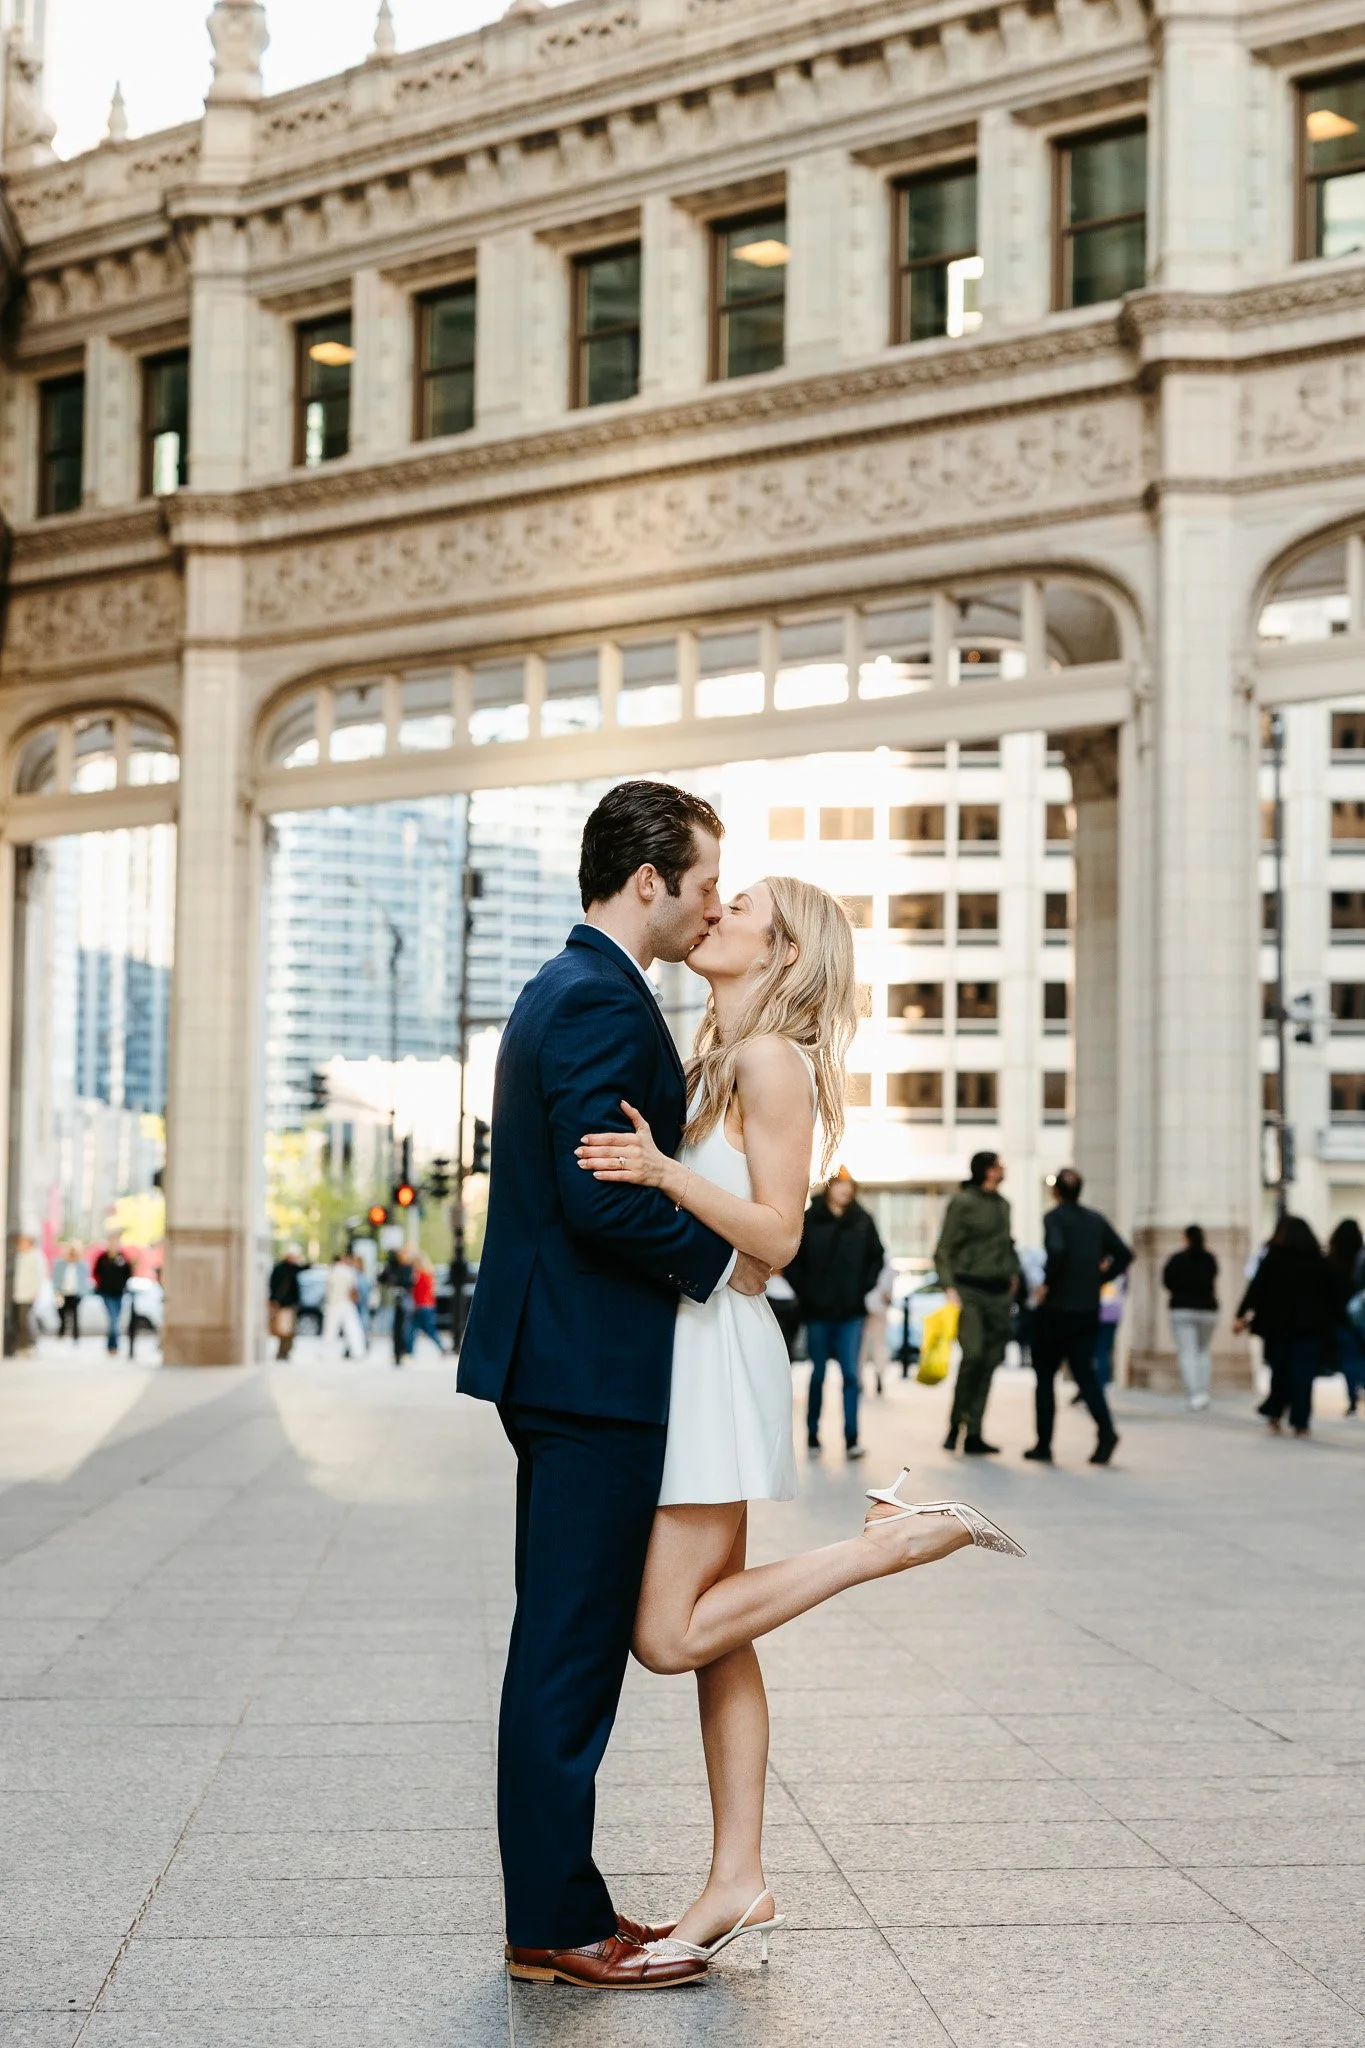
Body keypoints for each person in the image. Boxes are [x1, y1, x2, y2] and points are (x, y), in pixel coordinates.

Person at [575, 871, 1023, 1969]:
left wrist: (666, 1173)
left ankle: (886, 1546)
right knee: (722, 1633)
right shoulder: (717, 1056)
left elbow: (776, 1238)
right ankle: (740, 1877)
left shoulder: (771, 1061)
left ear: (781, 955)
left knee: (669, 1631)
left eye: (741, 912)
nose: (714, 911)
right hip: (692, 1347)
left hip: (714, 1356)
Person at [457, 781, 760, 1991]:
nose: (708, 905)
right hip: (586, 1369)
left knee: (568, 1640)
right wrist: (720, 1258)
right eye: (701, 883)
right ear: (649, 881)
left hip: (573, 1363)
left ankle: (566, 1904)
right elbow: (598, 1192)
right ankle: (553, 1928)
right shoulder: (593, 999)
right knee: (569, 1649)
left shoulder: (575, 987)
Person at [1026, 1168, 1132, 1466]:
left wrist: (1049, 1284)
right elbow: (1124, 1254)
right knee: (1085, 1375)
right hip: (1086, 1309)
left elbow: (1057, 1251)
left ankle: (1044, 1444)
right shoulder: (1095, 1219)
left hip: (1057, 1310)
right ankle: (1106, 1431)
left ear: (1056, 1192)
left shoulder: (1054, 1218)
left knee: (1045, 1377)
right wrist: (1098, 1279)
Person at [785, 1168, 885, 1459]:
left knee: (852, 1375)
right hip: (817, 1312)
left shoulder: (863, 1221)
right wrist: (806, 1293)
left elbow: (877, 1257)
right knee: (817, 1376)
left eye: (849, 1186)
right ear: (829, 1188)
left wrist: (864, 1288)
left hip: (851, 1312)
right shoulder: (810, 1219)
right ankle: (813, 1435)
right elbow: (793, 1259)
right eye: (840, 1185)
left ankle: (852, 1438)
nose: (845, 1191)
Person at [934, 1152, 1021, 1455]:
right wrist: (949, 1287)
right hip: (969, 1291)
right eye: (999, 1165)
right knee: (973, 1356)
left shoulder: (1003, 1205)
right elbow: (944, 1248)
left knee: (990, 1361)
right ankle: (955, 1423)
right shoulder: (963, 1202)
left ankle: (974, 1432)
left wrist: (1013, 1274)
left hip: (999, 1294)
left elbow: (1007, 1244)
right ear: (986, 1170)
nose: (1003, 1170)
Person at [1235, 1213, 1334, 1437]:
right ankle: (1301, 1421)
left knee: (1280, 1371)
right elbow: (1331, 1296)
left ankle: (1275, 1414)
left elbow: (1256, 1290)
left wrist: (1241, 1314)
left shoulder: (1274, 1258)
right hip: (1310, 1328)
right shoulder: (1318, 1261)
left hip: (1278, 1327)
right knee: (1304, 1374)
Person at [1163, 1225, 1219, 1411]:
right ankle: (1202, 1391)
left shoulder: (1177, 1259)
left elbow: (1167, 1281)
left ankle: (1194, 1393)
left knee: (1188, 1352)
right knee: (1203, 1351)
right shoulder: (1209, 1259)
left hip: (1182, 1309)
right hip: (1207, 1310)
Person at [1326, 1217, 1365, 1417]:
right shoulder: (1362, 1258)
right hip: (1362, 1316)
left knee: (1349, 1359)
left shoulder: (1332, 1261)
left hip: (1341, 1317)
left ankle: (1352, 1398)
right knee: (1360, 1355)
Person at [861, 1255, 897, 1397]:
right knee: (879, 1345)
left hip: (863, 1306)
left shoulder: (862, 1256)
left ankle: (860, 1378)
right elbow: (889, 1290)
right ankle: (879, 1374)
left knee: (861, 1347)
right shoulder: (885, 1261)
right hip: (879, 1308)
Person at [92, 1237, 133, 1356]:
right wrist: (100, 1284)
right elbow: (95, 1272)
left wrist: (123, 1284)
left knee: (115, 1320)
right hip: (106, 1293)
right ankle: (113, 1346)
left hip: (119, 1293)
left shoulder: (122, 1257)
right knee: (113, 1320)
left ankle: (111, 1345)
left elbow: (129, 1272)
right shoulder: (103, 1258)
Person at [323, 1251, 365, 1358]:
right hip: (347, 1303)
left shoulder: (332, 1272)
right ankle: (358, 1352)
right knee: (353, 1329)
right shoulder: (349, 1272)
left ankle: (326, 1353)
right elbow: (354, 1288)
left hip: (334, 1303)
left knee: (331, 1330)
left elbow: (328, 1289)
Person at [8, 1234, 45, 1355]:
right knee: (18, 1320)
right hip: (18, 1294)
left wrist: (35, 1292)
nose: (19, 1245)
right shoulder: (20, 1256)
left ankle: (28, 1345)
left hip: (28, 1294)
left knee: (25, 1321)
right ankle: (22, 1345)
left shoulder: (35, 1257)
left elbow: (39, 1276)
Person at [267, 1245, 304, 1361]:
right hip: (284, 1304)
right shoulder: (283, 1269)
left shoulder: (287, 1268)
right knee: (285, 1330)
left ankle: (284, 1351)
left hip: (289, 1303)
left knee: (287, 1330)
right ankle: (282, 1352)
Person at [54, 1244, 89, 1343]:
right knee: (61, 1313)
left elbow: (84, 1279)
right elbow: (56, 1278)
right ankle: (61, 1332)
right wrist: (56, 1291)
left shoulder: (81, 1265)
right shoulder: (60, 1264)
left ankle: (75, 1336)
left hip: (75, 1294)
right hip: (62, 1293)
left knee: (75, 1315)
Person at [408, 1252, 442, 1355]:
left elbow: (417, 1292)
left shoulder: (420, 1276)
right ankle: (441, 1347)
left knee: (413, 1330)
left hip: (422, 1306)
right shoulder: (429, 1275)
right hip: (428, 1305)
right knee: (427, 1330)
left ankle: (410, 1351)